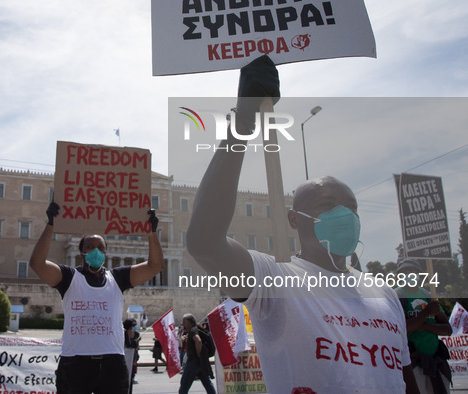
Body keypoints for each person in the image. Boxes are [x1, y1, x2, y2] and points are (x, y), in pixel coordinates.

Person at [186, 55, 419, 393]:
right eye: (328, 206)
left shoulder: (384, 294)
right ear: (294, 219)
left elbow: (402, 376)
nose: (345, 217)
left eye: (351, 209)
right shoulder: (276, 280)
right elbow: (205, 242)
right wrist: (243, 124)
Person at [29, 203, 163, 394]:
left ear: (106, 252)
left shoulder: (117, 278)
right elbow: (37, 264)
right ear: (81, 251)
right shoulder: (69, 278)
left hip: (112, 364)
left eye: (100, 247)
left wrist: (152, 233)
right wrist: (51, 225)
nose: (95, 251)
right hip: (75, 363)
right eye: (90, 246)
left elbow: (154, 266)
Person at [395, 258, 453, 393]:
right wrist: (426, 312)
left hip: (435, 361)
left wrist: (425, 325)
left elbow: (447, 329)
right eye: (406, 271)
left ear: (419, 274)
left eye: (413, 271)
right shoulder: (397, 296)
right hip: (412, 363)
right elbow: (404, 329)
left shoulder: (428, 296)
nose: (409, 274)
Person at [178, 314, 216, 394]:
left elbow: (198, 341)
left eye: (184, 321)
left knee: (183, 387)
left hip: (193, 363)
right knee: (208, 385)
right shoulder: (195, 330)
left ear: (190, 322)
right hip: (201, 363)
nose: (183, 323)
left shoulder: (193, 330)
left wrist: (199, 354)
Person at [123, 318, 141, 392]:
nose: (134, 327)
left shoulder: (136, 334)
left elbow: (137, 347)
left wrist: (135, 342)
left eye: (135, 325)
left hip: (133, 358)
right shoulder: (123, 334)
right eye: (133, 325)